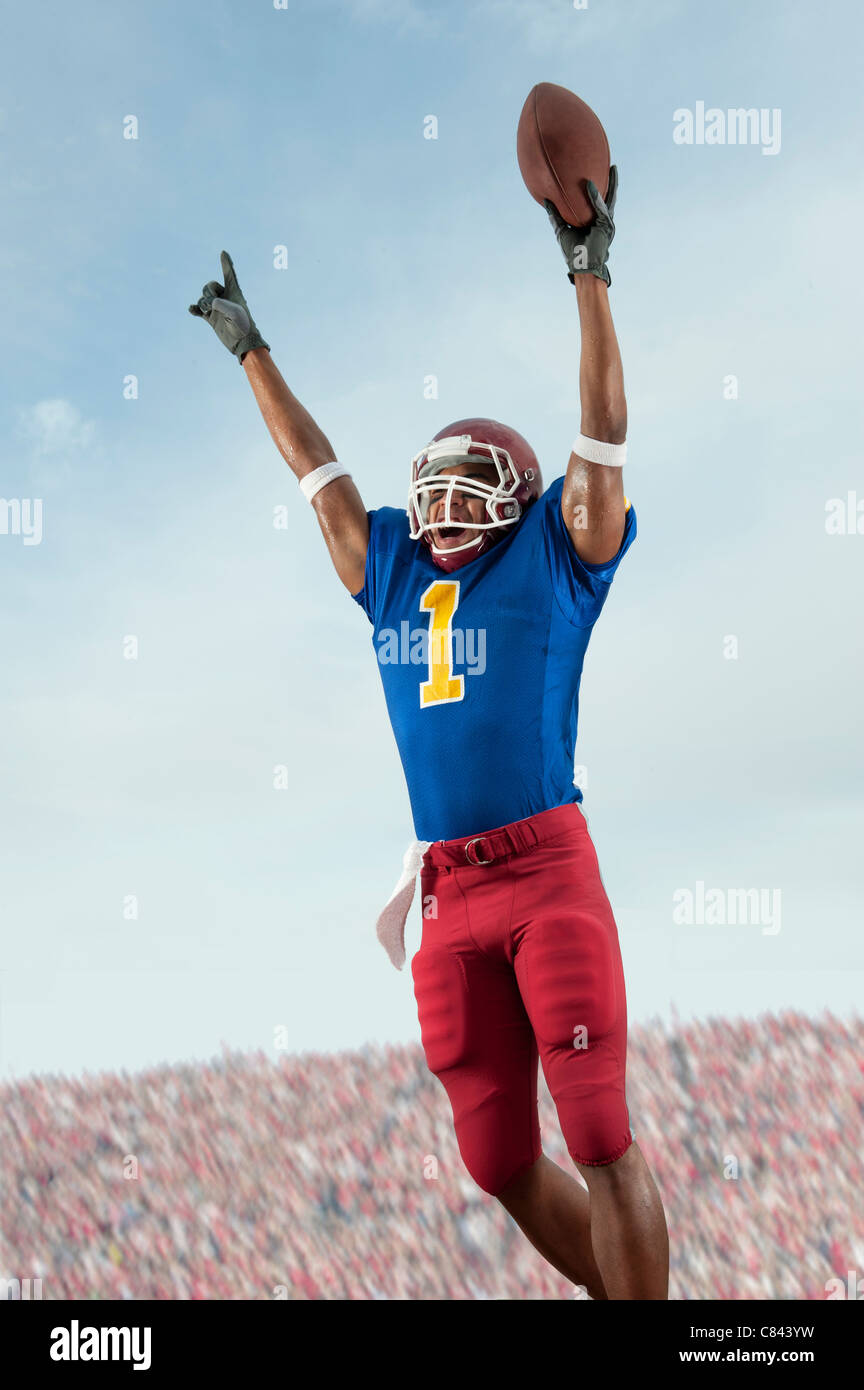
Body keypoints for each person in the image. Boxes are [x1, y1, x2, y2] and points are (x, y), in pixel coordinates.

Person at [188, 167, 669, 1299]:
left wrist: (588, 272)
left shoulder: (559, 545)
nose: (447, 504)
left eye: (473, 484)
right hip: (450, 889)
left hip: (547, 868)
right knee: (497, 1158)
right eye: (435, 486)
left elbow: (602, 429)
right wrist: (254, 351)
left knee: (599, 1132)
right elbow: (319, 474)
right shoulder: (392, 567)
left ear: (524, 490)